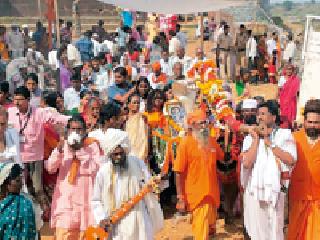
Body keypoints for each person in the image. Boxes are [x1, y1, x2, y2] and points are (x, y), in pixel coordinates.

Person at [91, 128, 164, 240]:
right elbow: (96, 199)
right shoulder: (103, 172)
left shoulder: (137, 163)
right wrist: (101, 218)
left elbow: (150, 184)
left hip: (138, 217)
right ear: (110, 154)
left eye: (121, 153)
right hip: (115, 222)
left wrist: (155, 185)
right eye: (115, 154)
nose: (119, 157)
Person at [241, 100, 297, 240]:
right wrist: (256, 140)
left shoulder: (284, 134)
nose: (259, 117)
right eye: (258, 114)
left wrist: (269, 143)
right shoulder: (250, 138)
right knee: (256, 230)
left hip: (276, 191)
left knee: (275, 229)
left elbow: (290, 160)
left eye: (263, 114)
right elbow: (247, 163)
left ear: (273, 117)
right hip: (254, 192)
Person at [46, 115, 101, 238]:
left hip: (86, 199)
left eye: (79, 129)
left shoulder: (92, 145)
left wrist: (80, 151)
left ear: (85, 130)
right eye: (73, 129)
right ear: (68, 130)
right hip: (66, 200)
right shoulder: (63, 145)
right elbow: (50, 168)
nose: (76, 132)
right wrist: (59, 150)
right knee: (64, 234)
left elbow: (95, 170)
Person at [8, 86, 70, 196]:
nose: (17, 103)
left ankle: (40, 211)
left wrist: (73, 120)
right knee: (19, 190)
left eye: (20, 99)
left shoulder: (39, 112)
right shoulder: (10, 112)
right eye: (15, 99)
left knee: (37, 190)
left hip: (35, 158)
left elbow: (56, 118)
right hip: (17, 158)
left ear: (28, 100)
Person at [174, 109, 224, 239]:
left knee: (211, 230)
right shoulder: (185, 143)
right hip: (196, 194)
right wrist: (180, 197)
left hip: (213, 193)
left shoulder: (211, 140)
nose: (204, 126)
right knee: (201, 232)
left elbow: (222, 157)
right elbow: (178, 172)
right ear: (192, 125)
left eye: (205, 122)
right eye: (201, 123)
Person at [288, 99, 320, 240]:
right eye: (310, 122)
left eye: (317, 122)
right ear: (304, 121)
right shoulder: (293, 139)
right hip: (297, 198)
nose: (313, 126)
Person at [0, 163, 37, 239]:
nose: (20, 183)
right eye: (17, 180)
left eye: (19, 180)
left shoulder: (27, 203)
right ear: (5, 182)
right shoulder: (27, 203)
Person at [125, 94, 149, 161]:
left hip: (140, 152)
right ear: (129, 104)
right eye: (134, 103)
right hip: (128, 153)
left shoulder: (142, 118)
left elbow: (145, 137)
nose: (137, 105)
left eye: (138, 103)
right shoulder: (124, 120)